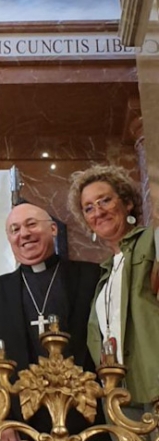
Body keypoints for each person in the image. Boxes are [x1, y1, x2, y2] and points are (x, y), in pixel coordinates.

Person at [0, 202, 101, 441]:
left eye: (31, 224)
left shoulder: (92, 277)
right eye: (14, 229)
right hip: (19, 427)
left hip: (88, 422)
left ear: (53, 229)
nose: (24, 234)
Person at [68, 165, 159, 410]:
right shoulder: (105, 273)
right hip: (120, 397)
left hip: (154, 387)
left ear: (127, 203)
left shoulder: (153, 241)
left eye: (105, 200)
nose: (98, 212)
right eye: (88, 208)